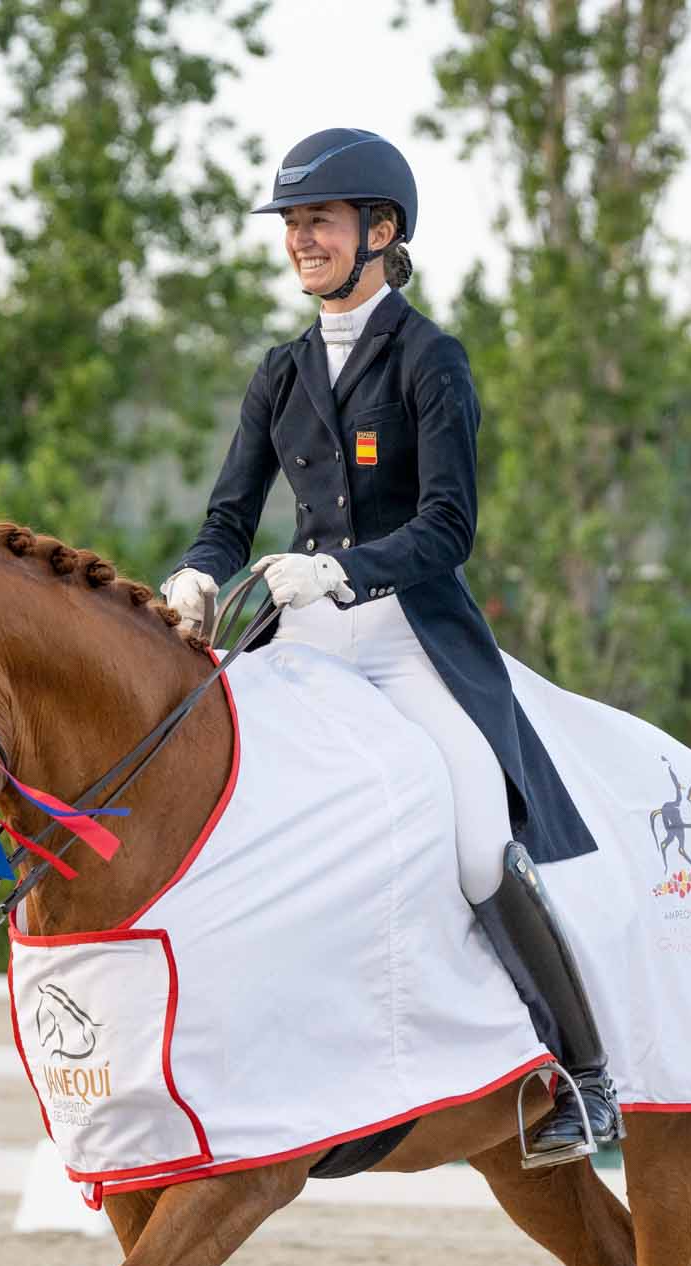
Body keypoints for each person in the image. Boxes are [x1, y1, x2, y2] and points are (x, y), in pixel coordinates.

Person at [158, 128, 623, 1165]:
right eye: (289, 224)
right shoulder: (278, 373)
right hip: (301, 636)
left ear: (381, 230)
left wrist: (344, 567)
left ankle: (586, 1080)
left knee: (468, 839)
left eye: (317, 221)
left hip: (406, 629)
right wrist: (195, 568)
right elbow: (230, 515)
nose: (298, 240)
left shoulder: (427, 358)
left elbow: (450, 527)